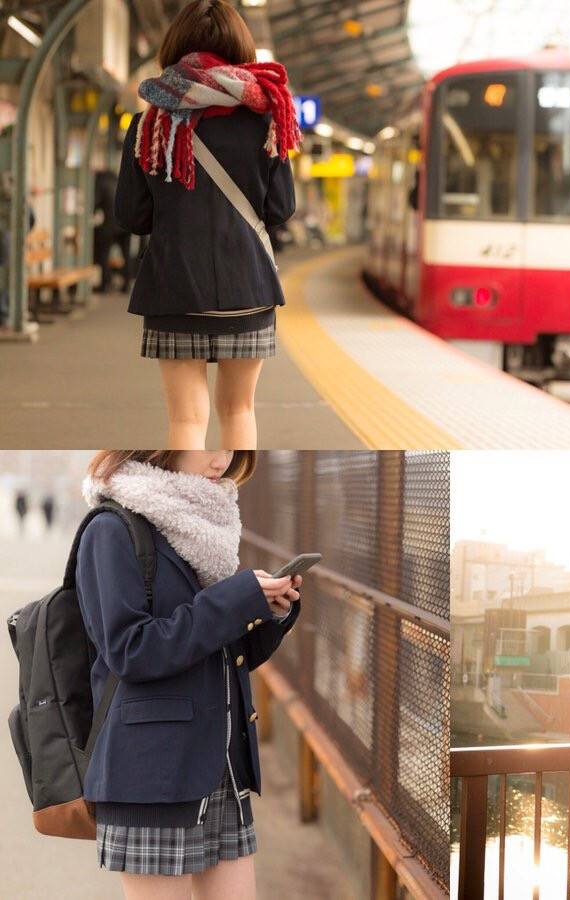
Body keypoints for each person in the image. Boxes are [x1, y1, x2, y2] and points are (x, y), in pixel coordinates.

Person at [75, 450, 301, 898]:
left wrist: (266, 613)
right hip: (152, 777)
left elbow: (214, 656)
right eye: (210, 441)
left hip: (220, 770)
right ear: (164, 437)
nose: (224, 458)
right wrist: (234, 601)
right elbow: (131, 651)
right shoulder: (111, 529)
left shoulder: (202, 533)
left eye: (232, 444)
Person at [114, 0, 301, 449]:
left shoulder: (148, 126)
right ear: (242, 51)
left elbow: (132, 217)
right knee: (239, 411)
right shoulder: (265, 123)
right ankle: (232, 502)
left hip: (174, 289)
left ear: (175, 49)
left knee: (186, 420)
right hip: (248, 291)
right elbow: (281, 209)